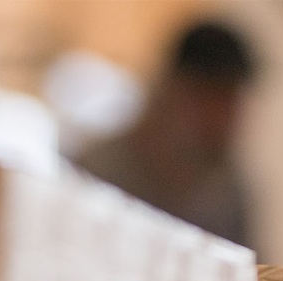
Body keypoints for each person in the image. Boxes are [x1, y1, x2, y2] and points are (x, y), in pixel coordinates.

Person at [75, 20, 259, 254]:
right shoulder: (99, 172)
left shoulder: (229, 191)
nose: (223, 120)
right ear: (171, 90)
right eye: (212, 100)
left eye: (232, 105)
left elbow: (255, 280)